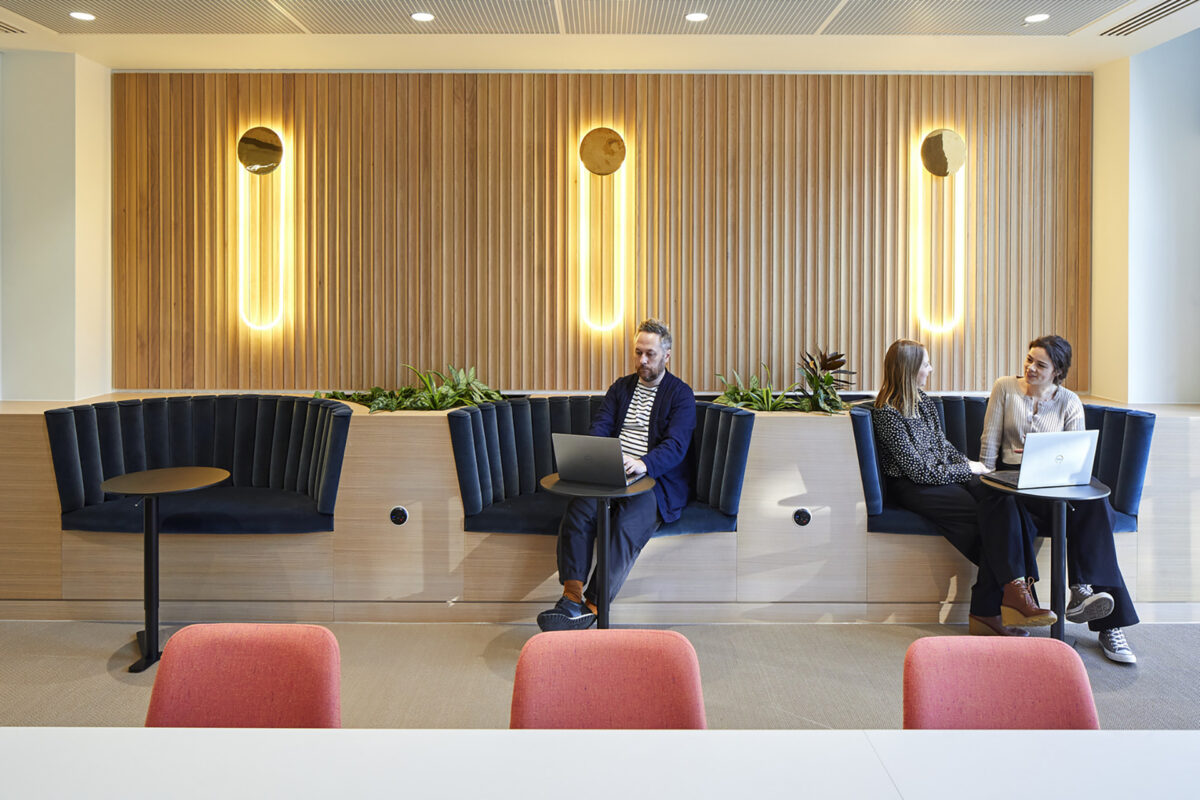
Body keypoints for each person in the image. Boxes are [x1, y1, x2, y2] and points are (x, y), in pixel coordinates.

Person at [871, 339, 1053, 637]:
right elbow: (917, 471)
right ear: (909, 369)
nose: (929, 369)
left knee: (1004, 501)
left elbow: (943, 446)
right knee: (989, 523)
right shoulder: (887, 413)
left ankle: (1011, 597)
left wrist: (969, 464)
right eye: (925, 364)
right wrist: (965, 469)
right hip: (914, 487)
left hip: (945, 475)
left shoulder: (923, 400)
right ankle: (1004, 602)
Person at [980, 334, 1139, 663]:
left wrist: (1044, 453)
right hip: (1011, 482)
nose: (1030, 368)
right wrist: (985, 478)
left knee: (1097, 506)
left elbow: (1077, 460)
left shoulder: (1069, 402)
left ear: (1057, 371)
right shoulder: (1005, 388)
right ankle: (1101, 612)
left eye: (1040, 364)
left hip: (1054, 483)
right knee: (1009, 506)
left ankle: (1084, 594)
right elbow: (989, 446)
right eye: (1029, 360)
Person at [536, 318, 696, 631]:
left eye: (650, 354)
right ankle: (571, 598)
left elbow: (676, 446)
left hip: (655, 481)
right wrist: (597, 456)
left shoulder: (681, 395)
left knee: (626, 525)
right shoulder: (620, 388)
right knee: (579, 509)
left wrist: (643, 463)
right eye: (638, 353)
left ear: (667, 356)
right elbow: (601, 426)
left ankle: (593, 607)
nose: (642, 361)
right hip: (611, 473)